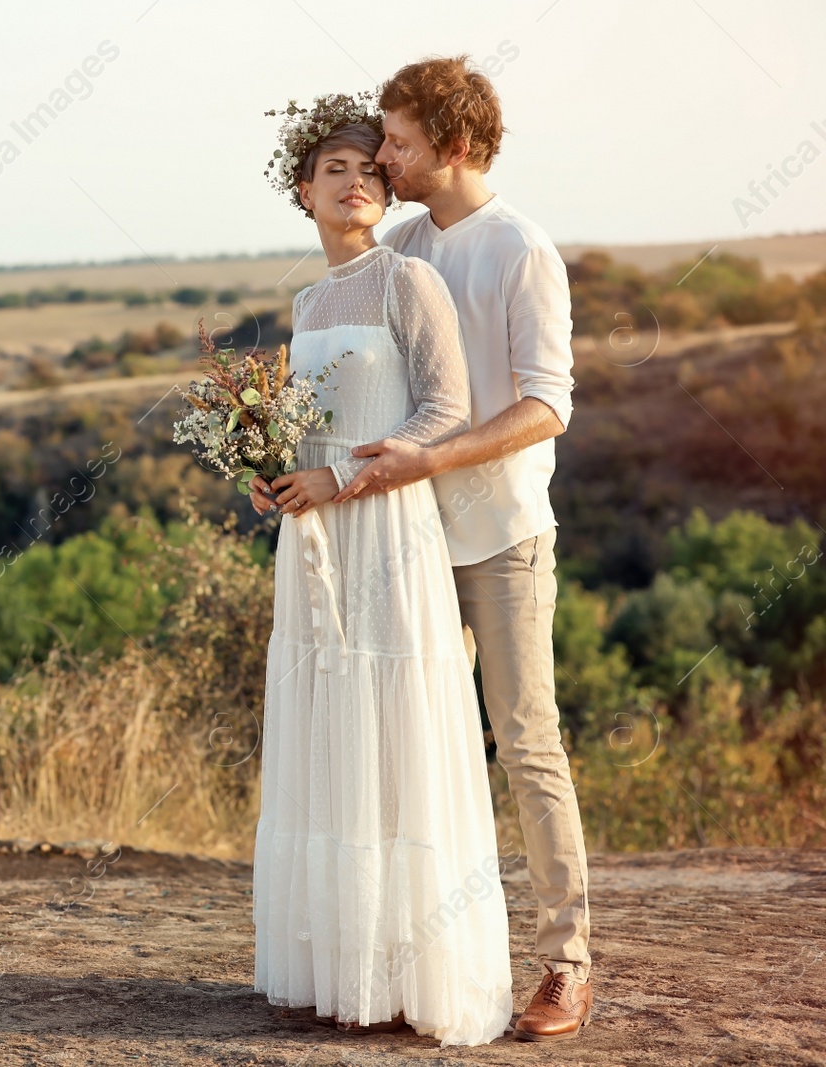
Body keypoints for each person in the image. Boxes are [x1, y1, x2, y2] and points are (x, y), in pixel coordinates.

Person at [327, 55, 594, 1042]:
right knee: (411, 748)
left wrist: (431, 453)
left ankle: (565, 964)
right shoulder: (397, 242)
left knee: (525, 744)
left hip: (502, 537)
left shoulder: (519, 248)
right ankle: (420, 961)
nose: (383, 158)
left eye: (397, 142)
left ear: (458, 145)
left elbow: (546, 404)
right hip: (406, 536)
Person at [248, 93, 513, 1047]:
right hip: (315, 540)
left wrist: (339, 477)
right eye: (334, 170)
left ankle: (416, 969)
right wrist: (278, 478)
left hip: (388, 534)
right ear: (304, 192)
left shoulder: (408, 282)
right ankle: (340, 965)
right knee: (333, 731)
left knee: (394, 728)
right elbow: (308, 425)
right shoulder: (308, 302)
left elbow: (446, 412)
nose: (357, 181)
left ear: (388, 182)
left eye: (371, 167)